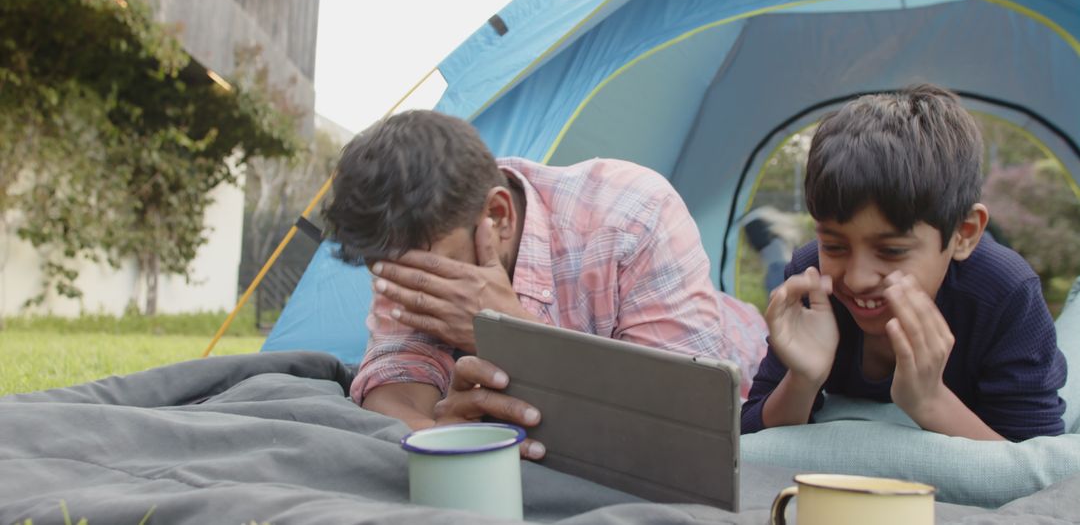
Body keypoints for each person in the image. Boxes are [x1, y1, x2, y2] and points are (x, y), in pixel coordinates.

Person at [324, 110, 768, 459]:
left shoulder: (635, 214)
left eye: (432, 274)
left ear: (497, 216)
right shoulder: (410, 250)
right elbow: (396, 384)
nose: (416, 289)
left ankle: (775, 255)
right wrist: (440, 435)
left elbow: (685, 416)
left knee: (780, 286)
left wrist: (510, 334)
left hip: (746, 346)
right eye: (389, 274)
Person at [741, 84, 1066, 442]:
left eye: (892, 251)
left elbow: (1034, 461)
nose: (858, 278)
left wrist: (930, 401)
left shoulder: (1005, 294)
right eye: (834, 245)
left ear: (964, 234)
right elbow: (748, 436)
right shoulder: (812, 278)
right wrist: (801, 380)